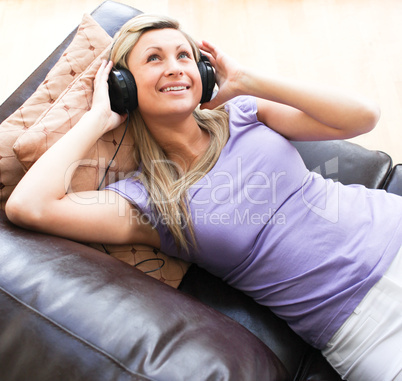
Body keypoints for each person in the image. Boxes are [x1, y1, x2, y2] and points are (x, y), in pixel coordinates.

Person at [5, 14, 402, 381]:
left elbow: (363, 115)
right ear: (124, 87)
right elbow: (30, 206)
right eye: (154, 59)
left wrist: (246, 79)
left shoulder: (242, 113)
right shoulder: (148, 200)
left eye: (184, 55)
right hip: (359, 325)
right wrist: (97, 119)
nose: (176, 66)